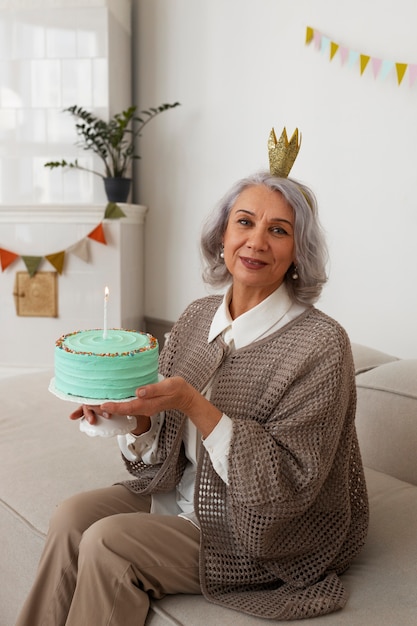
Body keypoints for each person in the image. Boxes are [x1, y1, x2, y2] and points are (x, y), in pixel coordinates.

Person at [16, 132, 369, 625]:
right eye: (244, 222)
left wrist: (195, 405)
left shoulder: (321, 345)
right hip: (180, 496)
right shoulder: (197, 317)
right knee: (71, 516)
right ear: (222, 235)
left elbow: (287, 491)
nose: (256, 241)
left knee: (108, 543)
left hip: (254, 533)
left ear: (298, 251)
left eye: (279, 231)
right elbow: (158, 457)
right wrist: (137, 422)